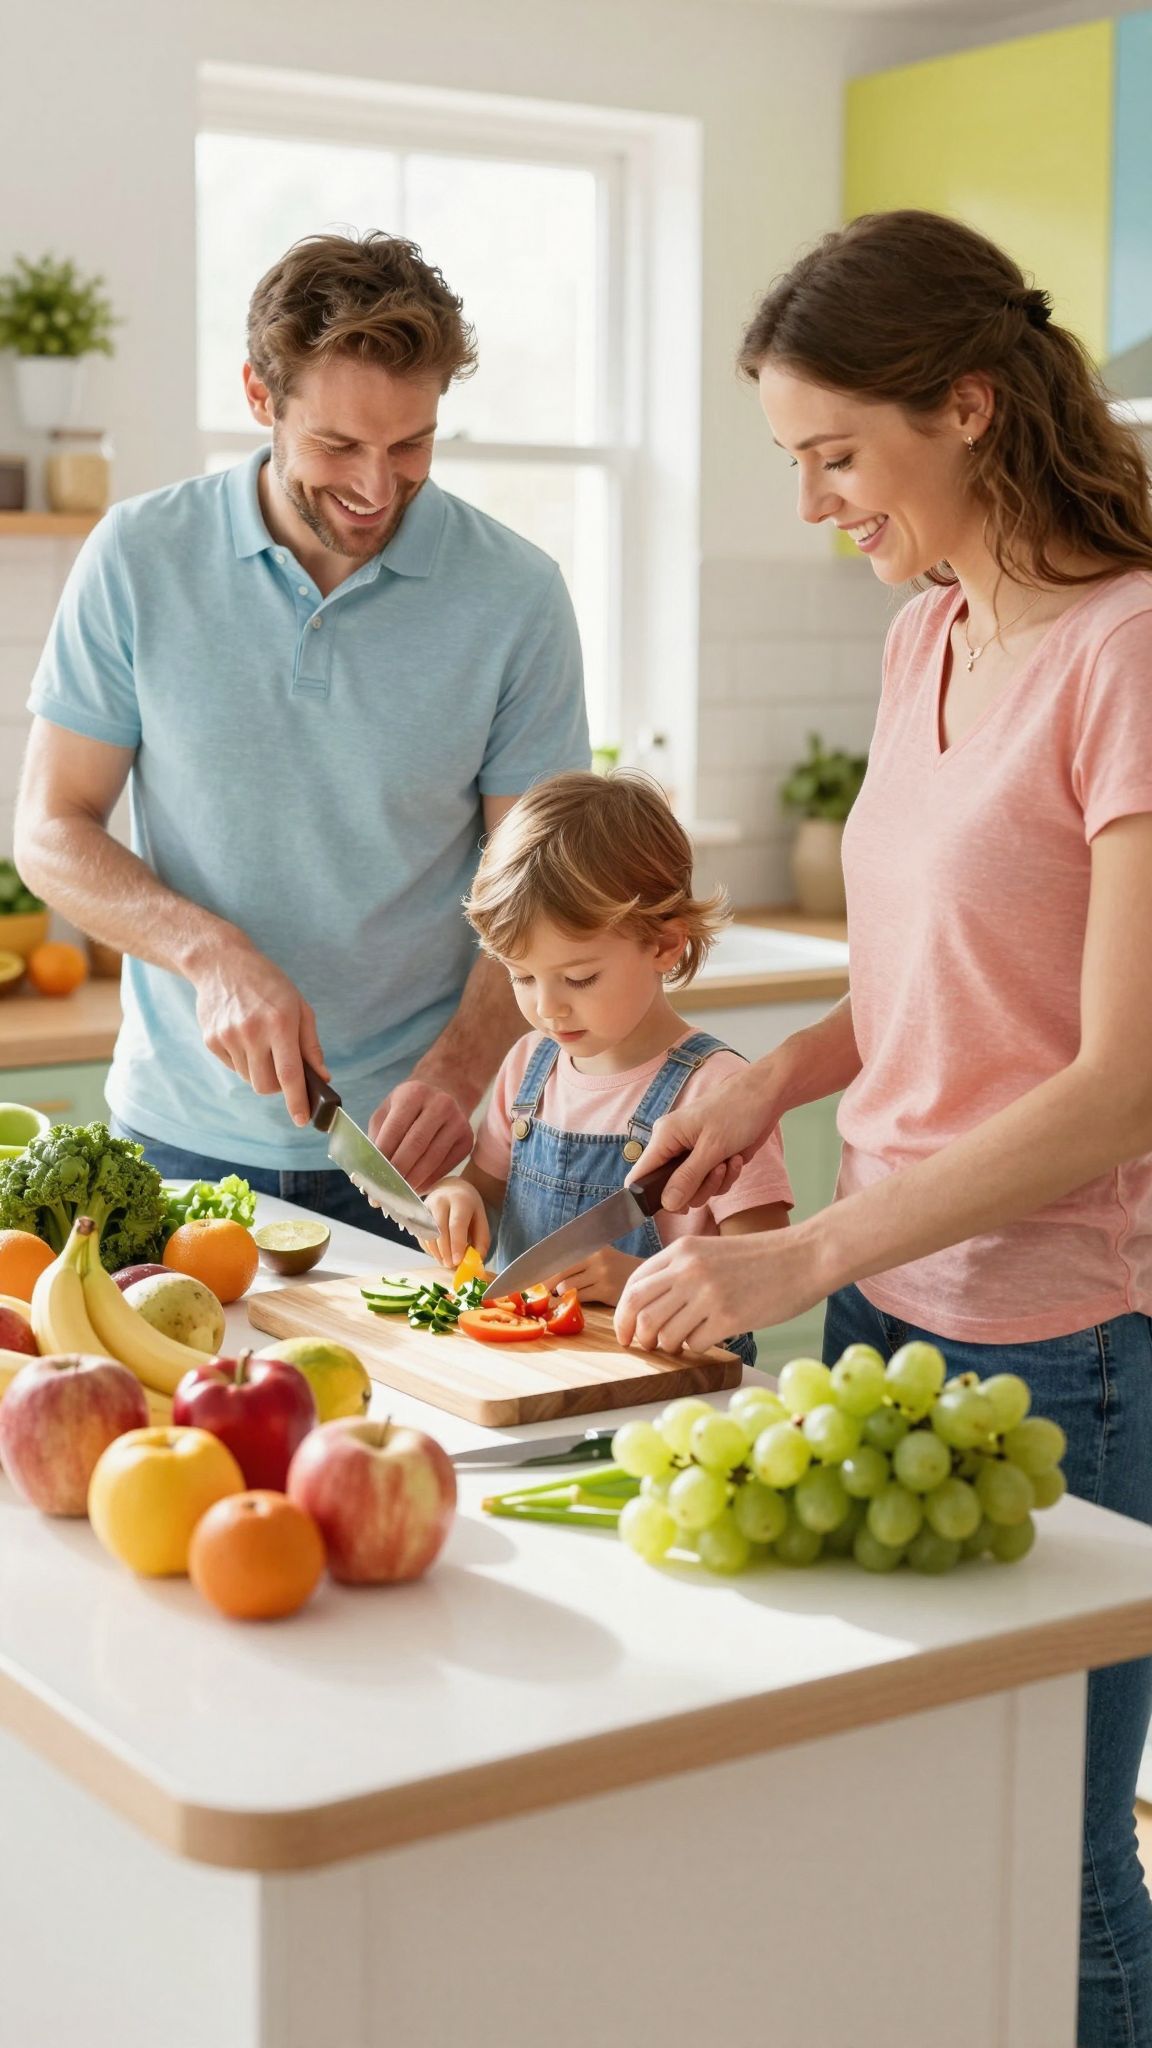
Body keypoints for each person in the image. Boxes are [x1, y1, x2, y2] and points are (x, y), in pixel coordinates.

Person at [612, 209, 1152, 2046]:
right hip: (886, 1304)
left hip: (1062, 1339)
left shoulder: (1126, 654)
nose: (812, 503)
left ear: (967, 407)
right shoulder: (924, 633)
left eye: (834, 455)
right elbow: (949, 968)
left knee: (1047, 1851)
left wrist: (807, 1248)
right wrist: (775, 1079)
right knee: (906, 1811)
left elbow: (1118, 1079)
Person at [14, 232, 588, 1239]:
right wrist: (209, 953)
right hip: (174, 1139)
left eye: (411, 445)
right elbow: (51, 828)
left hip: (422, 1153)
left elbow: (539, 887)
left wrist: (461, 1068)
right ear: (259, 395)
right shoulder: (140, 556)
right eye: (339, 445)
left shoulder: (517, 595)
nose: (377, 488)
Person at [418, 770, 793, 1364]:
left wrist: (638, 1282)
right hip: (536, 1375)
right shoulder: (528, 1067)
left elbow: (770, 1276)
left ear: (665, 945)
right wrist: (455, 1200)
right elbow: (484, 1196)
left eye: (579, 978)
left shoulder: (720, 1094)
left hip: (674, 1385)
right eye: (522, 976)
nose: (548, 1007)